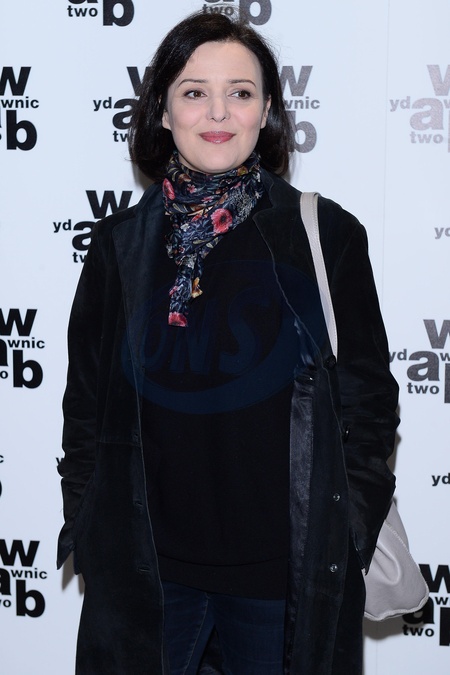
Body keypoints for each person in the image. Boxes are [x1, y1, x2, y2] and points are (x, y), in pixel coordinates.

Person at [57, 11, 399, 675]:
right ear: (162, 111)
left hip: (282, 585)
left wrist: (345, 532)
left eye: (240, 92)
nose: (218, 112)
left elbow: (369, 403)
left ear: (266, 111)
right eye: (194, 92)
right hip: (149, 582)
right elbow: (86, 409)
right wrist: (91, 526)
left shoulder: (326, 235)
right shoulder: (119, 246)